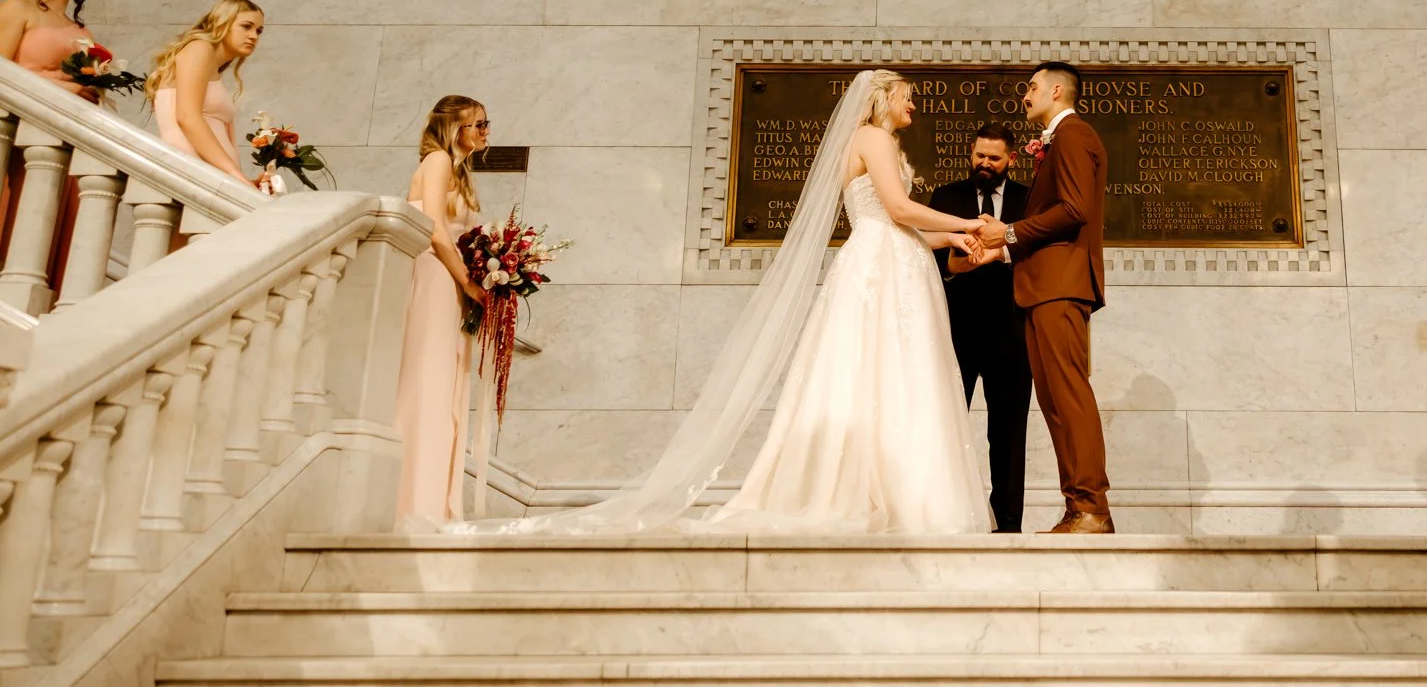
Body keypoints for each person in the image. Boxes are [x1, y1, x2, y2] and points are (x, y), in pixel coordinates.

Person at [449, 70, 990, 535]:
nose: (913, 104)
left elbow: (902, 223)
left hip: (893, 256)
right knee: (883, 372)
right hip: (882, 266)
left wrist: (957, 239)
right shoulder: (873, 137)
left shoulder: (879, 142)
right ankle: (883, 494)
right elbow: (895, 208)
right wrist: (968, 222)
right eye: (907, 96)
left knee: (891, 375)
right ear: (882, 99)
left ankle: (889, 490)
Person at [974, 63, 1114, 535]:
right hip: (1043, 286)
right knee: (1055, 401)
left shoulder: (1073, 134)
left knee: (1068, 397)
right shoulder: (1062, 139)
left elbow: (1074, 209)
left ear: (1057, 90)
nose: (1025, 94)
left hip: (1060, 287)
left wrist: (1009, 231)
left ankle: (1091, 507)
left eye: (1032, 87)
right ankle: (1080, 507)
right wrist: (1005, 250)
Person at [929, 122, 1033, 532]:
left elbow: (1038, 254)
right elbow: (930, 257)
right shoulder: (946, 196)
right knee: (945, 423)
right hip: (956, 331)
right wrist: (956, 265)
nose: (984, 164)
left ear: (1010, 159)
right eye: (978, 156)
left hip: (1013, 332)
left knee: (1008, 434)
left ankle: (1007, 525)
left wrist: (999, 255)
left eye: (993, 158)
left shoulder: (1029, 199)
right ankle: (943, 518)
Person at [392, 95, 489, 531]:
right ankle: (415, 503)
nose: (485, 132)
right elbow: (432, 227)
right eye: (477, 124)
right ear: (453, 128)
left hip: (450, 282)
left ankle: (437, 502)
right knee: (429, 381)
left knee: (447, 384)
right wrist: (468, 282)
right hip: (435, 279)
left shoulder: (460, 172)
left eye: (487, 124)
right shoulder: (437, 162)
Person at [0, 0, 101, 295]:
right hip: (21, 131)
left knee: (46, 218)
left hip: (63, 135)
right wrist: (63, 89)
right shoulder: (19, 9)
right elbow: (2, 71)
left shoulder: (82, 32)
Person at [144, 0, 266, 188]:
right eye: (246, 26)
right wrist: (235, 177)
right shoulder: (199, 48)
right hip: (198, 177)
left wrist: (244, 181)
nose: (254, 36)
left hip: (213, 176)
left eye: (259, 31)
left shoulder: (211, 63)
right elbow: (186, 117)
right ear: (222, 23)